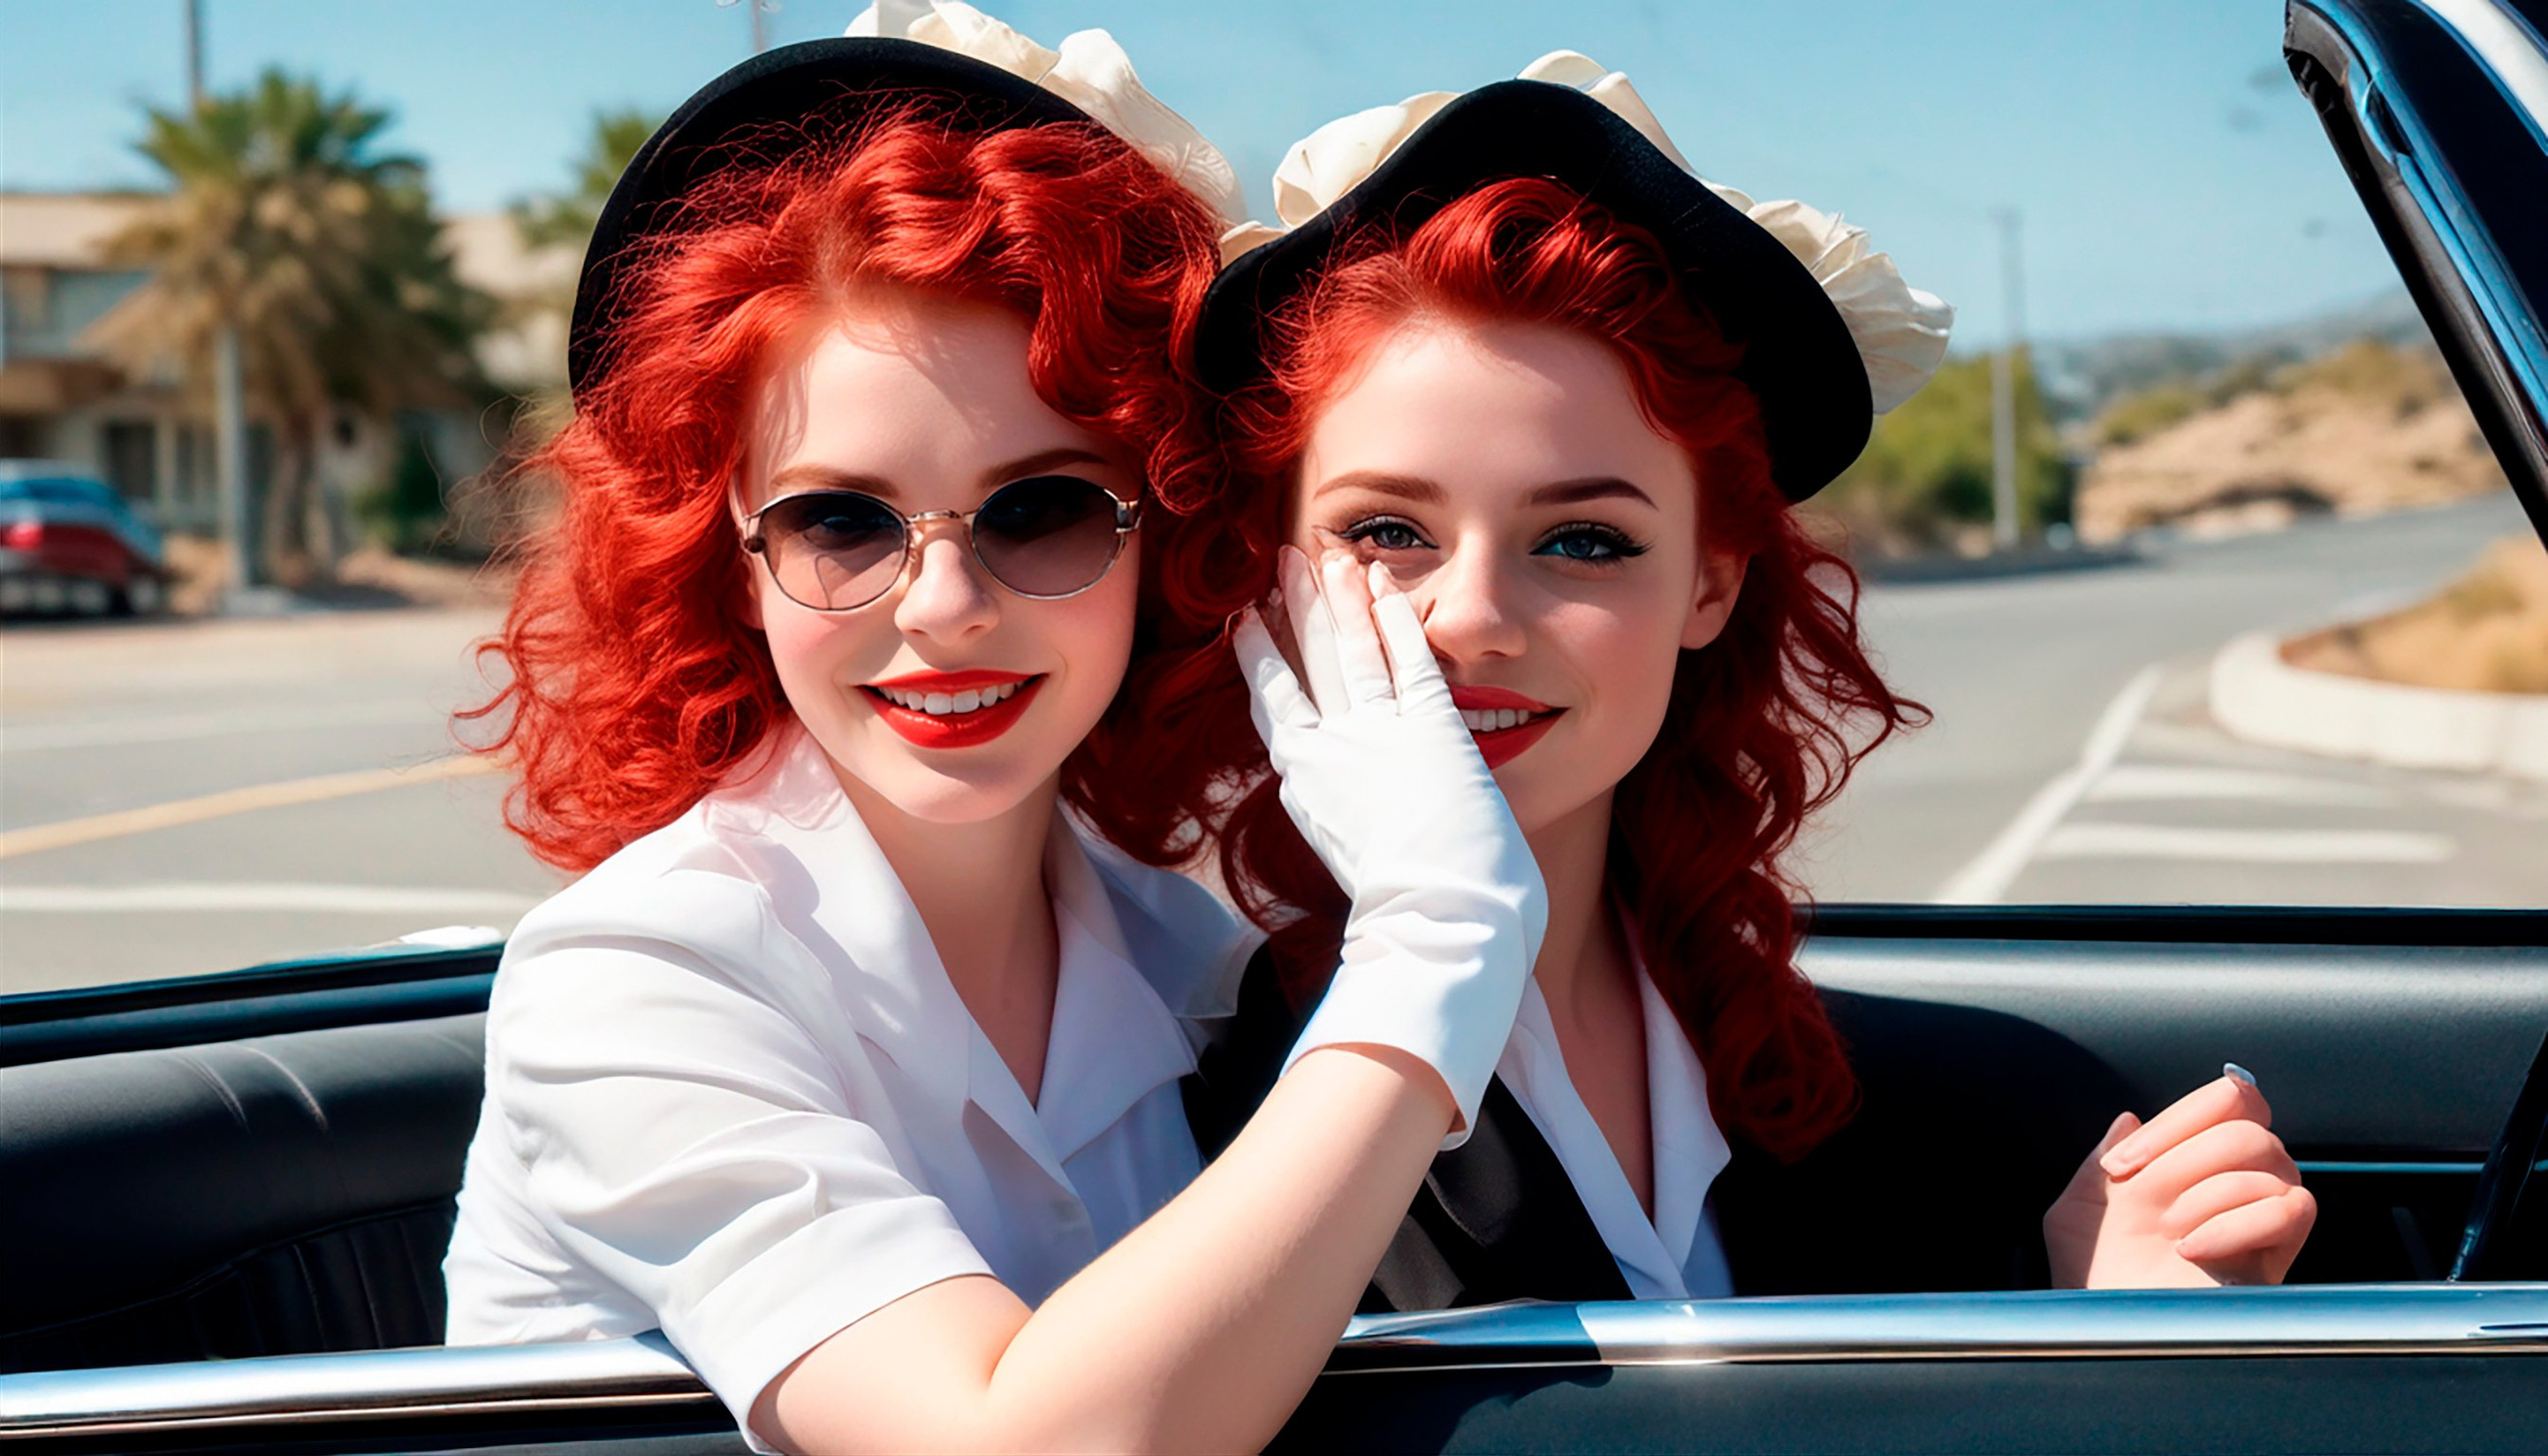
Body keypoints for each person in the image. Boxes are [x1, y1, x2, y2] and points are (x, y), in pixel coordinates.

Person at [444, 9, 1560, 1451]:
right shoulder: (635, 978)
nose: (946, 606)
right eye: (840, 520)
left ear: (1167, 535)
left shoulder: (1189, 960)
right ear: (728, 558)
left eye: (1042, 510)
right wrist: (1438, 937)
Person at [1125, 56, 2318, 1307]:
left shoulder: (1899, 1105)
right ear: (1270, 574)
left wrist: (2113, 1324)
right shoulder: (1172, 1089)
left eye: (1583, 540)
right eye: (1385, 531)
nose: (1470, 617)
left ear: (1709, 583)